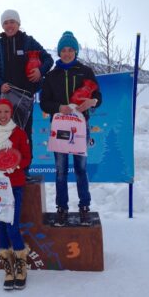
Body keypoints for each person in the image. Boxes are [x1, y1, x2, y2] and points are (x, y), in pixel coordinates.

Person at [40, 31, 102, 226]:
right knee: (60, 171)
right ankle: (62, 208)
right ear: (59, 52)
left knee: (81, 169)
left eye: (70, 49)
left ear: (75, 51)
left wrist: (92, 101)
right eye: (63, 50)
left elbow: (98, 97)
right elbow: (44, 103)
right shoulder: (51, 75)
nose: (66, 53)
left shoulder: (86, 71)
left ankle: (84, 206)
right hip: (59, 129)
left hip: (80, 127)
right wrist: (60, 108)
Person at [0, 9, 53, 180]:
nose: (9, 25)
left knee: (24, 135)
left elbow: (48, 59)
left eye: (12, 22)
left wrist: (40, 71)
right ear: (2, 26)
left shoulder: (28, 41)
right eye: (6, 22)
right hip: (6, 100)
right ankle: (5, 169)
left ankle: (24, 171)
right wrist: (0, 84)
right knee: (5, 134)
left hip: (25, 98)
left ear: (18, 24)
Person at [0, 99, 31, 290]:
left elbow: (27, 157)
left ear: (11, 113)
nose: (3, 115)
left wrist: (15, 165)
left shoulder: (19, 133)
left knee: (12, 225)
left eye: (6, 112)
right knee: (0, 226)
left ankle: (21, 264)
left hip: (14, 185)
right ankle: (8, 267)